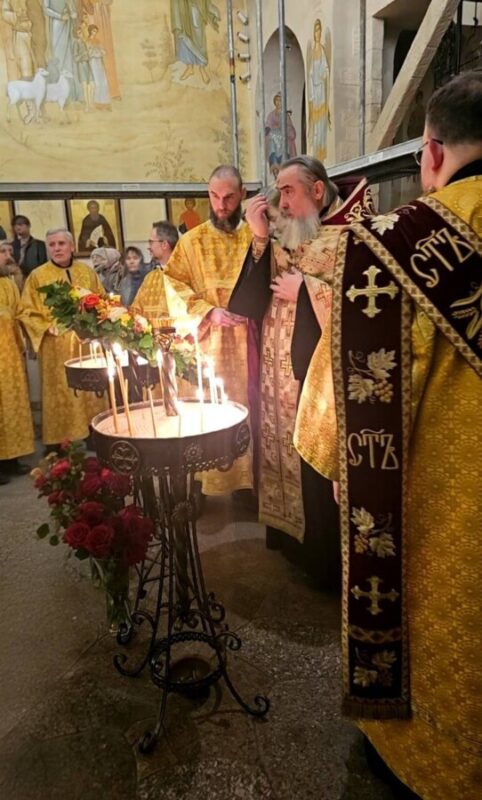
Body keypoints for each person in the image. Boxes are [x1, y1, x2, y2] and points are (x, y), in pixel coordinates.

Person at [296, 72, 482, 799]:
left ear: (430, 152)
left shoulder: (391, 247)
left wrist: (336, 464)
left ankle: (430, 758)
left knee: (445, 618)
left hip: (448, 509)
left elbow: (349, 401)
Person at [228, 155, 374, 589]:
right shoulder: (283, 236)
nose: (282, 202)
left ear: (317, 190)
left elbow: (368, 305)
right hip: (276, 377)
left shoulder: (356, 236)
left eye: (289, 191)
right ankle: (290, 542)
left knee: (315, 462)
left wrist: (307, 293)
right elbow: (249, 304)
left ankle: (322, 562)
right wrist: (258, 239)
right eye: (279, 192)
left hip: (319, 377)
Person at [157, 166, 254, 498]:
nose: (221, 205)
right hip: (205, 344)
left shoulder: (257, 236)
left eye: (228, 197)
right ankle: (199, 485)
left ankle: (245, 484)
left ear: (242, 195)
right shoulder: (191, 241)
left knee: (246, 409)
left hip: (248, 345)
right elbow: (172, 283)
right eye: (214, 196)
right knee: (206, 411)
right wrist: (208, 312)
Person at [17, 227, 106, 451]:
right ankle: (58, 442)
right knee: (60, 391)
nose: (57, 248)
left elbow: (102, 301)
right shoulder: (38, 276)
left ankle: (93, 433)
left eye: (61, 244)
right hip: (55, 348)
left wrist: (97, 321)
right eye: (52, 245)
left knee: (89, 389)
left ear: (72, 246)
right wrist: (47, 326)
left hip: (86, 344)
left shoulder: (87, 272)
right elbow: (25, 311)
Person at [0, 241, 34, 484]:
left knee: (12, 407)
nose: (8, 256)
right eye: (2, 252)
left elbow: (20, 312)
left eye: (9, 251)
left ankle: (11, 458)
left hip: (11, 358)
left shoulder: (8, 284)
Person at [307, 18, 331, 162]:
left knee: (321, 122)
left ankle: (321, 151)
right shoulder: (312, 52)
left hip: (321, 90)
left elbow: (326, 69)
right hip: (314, 91)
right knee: (315, 123)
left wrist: (323, 75)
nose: (318, 33)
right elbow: (310, 73)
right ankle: (316, 151)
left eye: (319, 30)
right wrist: (310, 95)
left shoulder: (321, 50)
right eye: (316, 30)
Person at [265, 93, 297, 177]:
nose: (278, 102)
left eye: (280, 100)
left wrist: (284, 128)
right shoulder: (271, 115)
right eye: (277, 100)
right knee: (272, 138)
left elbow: (291, 131)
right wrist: (269, 129)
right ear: (274, 102)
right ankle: (275, 165)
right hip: (274, 141)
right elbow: (267, 127)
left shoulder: (285, 115)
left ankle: (284, 165)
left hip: (284, 140)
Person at [11, 214, 47, 278]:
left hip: (36, 277)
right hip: (17, 278)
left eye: (20, 224)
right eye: (15, 225)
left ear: (28, 226)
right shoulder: (11, 245)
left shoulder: (40, 245)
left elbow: (43, 264)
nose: (17, 227)